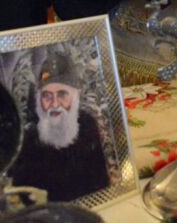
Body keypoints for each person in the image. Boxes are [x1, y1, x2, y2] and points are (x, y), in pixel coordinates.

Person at [11, 52, 110, 202]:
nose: (55, 104)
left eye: (62, 94)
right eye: (47, 96)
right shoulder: (30, 140)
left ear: (76, 95)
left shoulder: (87, 126)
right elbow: (25, 197)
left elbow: (102, 185)